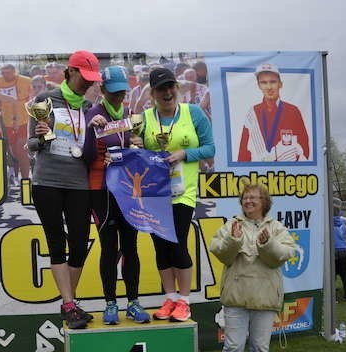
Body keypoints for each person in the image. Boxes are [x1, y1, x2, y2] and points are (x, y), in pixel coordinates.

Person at [27, 50, 102, 329]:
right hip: (47, 181)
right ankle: (70, 305)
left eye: (92, 79)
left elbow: (92, 148)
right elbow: (31, 146)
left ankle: (68, 302)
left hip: (79, 183)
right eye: (84, 77)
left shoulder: (89, 107)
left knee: (80, 244)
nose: (88, 83)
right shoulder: (45, 100)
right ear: (70, 72)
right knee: (57, 243)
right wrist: (41, 138)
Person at [135, 67, 215, 322]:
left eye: (171, 87)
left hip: (183, 192)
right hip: (155, 193)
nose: (167, 92)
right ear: (152, 93)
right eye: (161, 89)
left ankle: (185, 301)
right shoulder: (145, 117)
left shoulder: (193, 113)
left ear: (177, 88)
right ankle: (169, 298)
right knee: (161, 247)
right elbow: (137, 152)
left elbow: (210, 147)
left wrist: (184, 154)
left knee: (177, 243)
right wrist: (137, 146)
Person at [83, 65, 150, 325]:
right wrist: (90, 130)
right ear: (102, 90)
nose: (119, 97)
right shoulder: (93, 114)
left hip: (128, 190)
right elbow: (87, 157)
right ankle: (110, 303)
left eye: (122, 92)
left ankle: (133, 302)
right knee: (109, 249)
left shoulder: (130, 115)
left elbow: (138, 155)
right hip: (101, 191)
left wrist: (137, 146)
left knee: (131, 247)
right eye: (114, 93)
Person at [210, 183, 296, 352]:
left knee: (260, 349)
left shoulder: (276, 228)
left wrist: (268, 244)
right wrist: (233, 241)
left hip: (265, 297)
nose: (247, 201)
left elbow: (286, 253)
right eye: (244, 198)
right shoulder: (231, 225)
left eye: (252, 197)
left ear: (264, 201)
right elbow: (218, 251)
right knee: (233, 348)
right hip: (236, 297)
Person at [237, 63, 309, 162]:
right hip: (259, 175)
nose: (269, 87)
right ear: (259, 85)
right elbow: (243, 153)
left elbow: (304, 148)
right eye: (264, 82)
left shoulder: (293, 111)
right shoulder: (252, 113)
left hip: (288, 175)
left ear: (280, 84)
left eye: (273, 82)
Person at [0, 64, 33, 179]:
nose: (5, 75)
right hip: (7, 122)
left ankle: (25, 178)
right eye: (3, 73)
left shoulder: (26, 81)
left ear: (14, 71)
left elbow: (34, 97)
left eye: (8, 72)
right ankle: (14, 176)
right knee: (13, 151)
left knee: (21, 150)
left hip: (24, 121)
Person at [333, 197, 346, 301]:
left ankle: (333, 296)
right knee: (345, 274)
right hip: (343, 250)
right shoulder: (342, 224)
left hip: (334, 251)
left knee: (332, 275)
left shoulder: (328, 224)